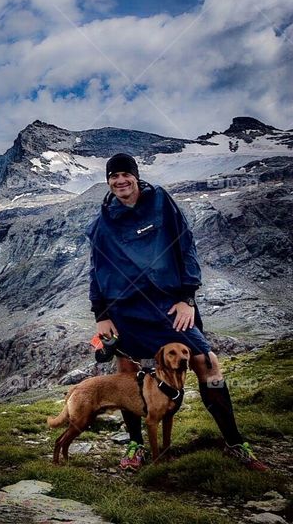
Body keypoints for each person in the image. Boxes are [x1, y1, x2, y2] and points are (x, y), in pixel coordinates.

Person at [86, 153, 266, 471]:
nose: (120, 181)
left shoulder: (161, 203)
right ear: (108, 181)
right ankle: (135, 446)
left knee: (206, 364)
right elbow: (97, 269)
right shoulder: (103, 223)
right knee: (128, 375)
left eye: (126, 174)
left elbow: (186, 245)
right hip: (124, 310)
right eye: (113, 177)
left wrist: (187, 298)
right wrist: (101, 313)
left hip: (169, 304)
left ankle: (236, 444)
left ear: (136, 177)